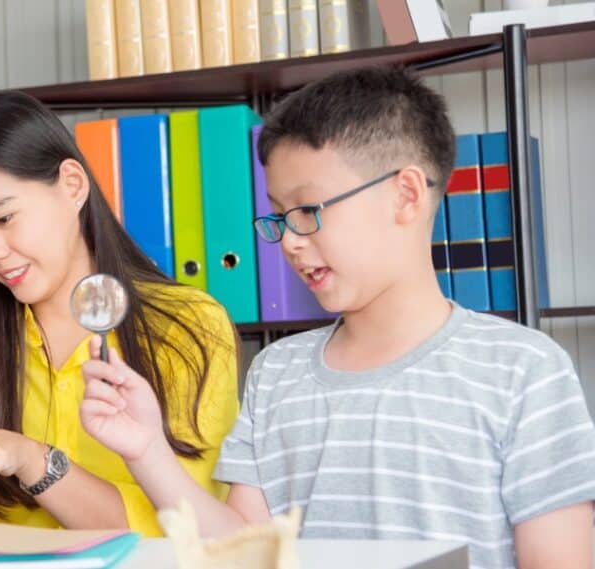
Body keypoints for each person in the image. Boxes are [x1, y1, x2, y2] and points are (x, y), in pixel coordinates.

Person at [80, 66, 595, 568]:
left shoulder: (523, 370)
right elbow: (243, 550)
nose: (289, 241)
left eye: (308, 211)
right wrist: (147, 450)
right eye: (279, 216)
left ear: (406, 195)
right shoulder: (276, 371)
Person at [0, 91, 239, 537]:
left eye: (3, 219)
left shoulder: (188, 326)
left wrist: (32, 460)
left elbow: (184, 522)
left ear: (73, 185)